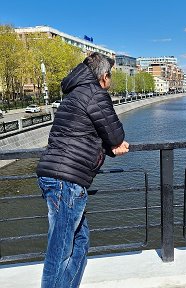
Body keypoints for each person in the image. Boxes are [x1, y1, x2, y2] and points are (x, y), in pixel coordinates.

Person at [36, 52, 129, 288]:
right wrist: (113, 146)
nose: (110, 81)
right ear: (103, 76)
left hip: (54, 176)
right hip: (67, 182)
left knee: (80, 240)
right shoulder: (95, 94)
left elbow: (82, 134)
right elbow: (116, 135)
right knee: (59, 253)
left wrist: (108, 148)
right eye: (110, 76)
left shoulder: (74, 93)